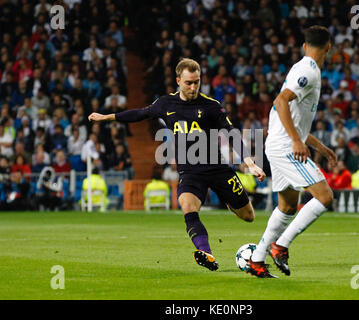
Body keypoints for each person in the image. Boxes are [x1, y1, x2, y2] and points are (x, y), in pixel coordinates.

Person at [88, 58, 265, 271]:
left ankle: (229, 203)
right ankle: (207, 253)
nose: (193, 87)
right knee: (188, 207)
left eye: (197, 82)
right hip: (190, 171)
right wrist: (107, 117)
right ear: (178, 80)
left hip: (217, 168)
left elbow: (232, 134)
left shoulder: (211, 106)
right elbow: (140, 114)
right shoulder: (165, 104)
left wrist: (249, 162)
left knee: (249, 217)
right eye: (189, 82)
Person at [247, 26, 337, 278]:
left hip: (278, 143)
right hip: (286, 146)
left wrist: (320, 147)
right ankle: (280, 245)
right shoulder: (308, 71)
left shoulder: (303, 68)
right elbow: (280, 101)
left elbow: (292, 117)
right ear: (328, 47)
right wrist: (297, 142)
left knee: (287, 207)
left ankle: (256, 259)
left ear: (304, 44)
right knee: (325, 196)